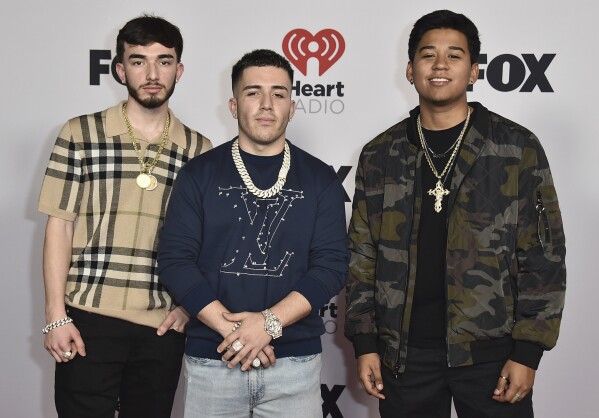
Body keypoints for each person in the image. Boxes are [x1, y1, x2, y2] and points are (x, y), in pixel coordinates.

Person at [344, 9, 566, 418]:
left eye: (454, 55)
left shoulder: (517, 147)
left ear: (475, 70)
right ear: (410, 71)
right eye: (428, 55)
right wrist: (366, 342)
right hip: (403, 357)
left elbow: (544, 256)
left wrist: (528, 351)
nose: (440, 65)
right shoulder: (380, 153)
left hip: (492, 357)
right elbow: (362, 257)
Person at [157, 49, 348, 418]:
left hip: (293, 365)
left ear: (292, 107)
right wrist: (238, 333)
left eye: (278, 94)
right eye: (253, 92)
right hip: (213, 362)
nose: (266, 104)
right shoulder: (199, 175)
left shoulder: (321, 178)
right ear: (233, 105)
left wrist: (268, 324)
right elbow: (175, 261)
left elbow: (331, 267)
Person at [38, 15, 212, 418]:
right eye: (138, 61)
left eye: (164, 61)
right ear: (120, 69)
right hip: (86, 320)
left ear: (179, 70)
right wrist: (54, 316)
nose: (152, 73)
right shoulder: (79, 134)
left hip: (162, 328)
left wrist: (188, 308)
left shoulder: (199, 150)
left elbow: (205, 244)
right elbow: (59, 227)